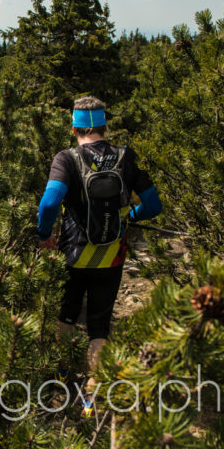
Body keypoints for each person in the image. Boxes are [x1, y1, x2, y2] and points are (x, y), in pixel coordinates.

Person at [37, 95, 161, 381]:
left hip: (73, 255)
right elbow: (154, 206)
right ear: (105, 126)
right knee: (99, 326)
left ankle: (65, 376)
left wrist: (44, 235)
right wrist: (128, 217)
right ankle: (94, 396)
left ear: (74, 129)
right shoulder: (125, 157)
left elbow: (49, 202)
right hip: (112, 256)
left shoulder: (66, 159)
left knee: (67, 315)